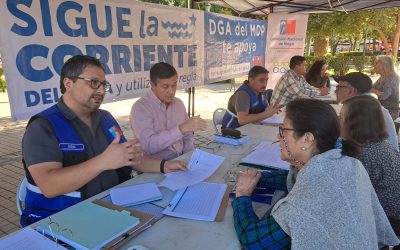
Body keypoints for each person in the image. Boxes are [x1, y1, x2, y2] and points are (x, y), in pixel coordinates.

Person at [21, 55, 187, 226]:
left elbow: (128, 156)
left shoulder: (105, 118)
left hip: (113, 209)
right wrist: (103, 161)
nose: (101, 90)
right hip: (61, 222)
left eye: (103, 85)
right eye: (93, 83)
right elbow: (49, 186)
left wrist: (163, 165)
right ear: (68, 84)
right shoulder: (43, 127)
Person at [232, 98, 399, 249]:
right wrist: (260, 178)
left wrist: (242, 195)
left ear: (306, 139)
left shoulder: (306, 201)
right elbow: (298, 180)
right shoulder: (345, 162)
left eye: (283, 130)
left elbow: (253, 241)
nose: (279, 136)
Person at [340, 95, 400, 235]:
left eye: (341, 117)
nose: (338, 122)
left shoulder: (363, 155)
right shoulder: (381, 145)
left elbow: (350, 197)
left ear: (356, 123)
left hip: (386, 219)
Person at [130, 62, 206, 160]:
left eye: (174, 85)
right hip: (155, 167)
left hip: (181, 161)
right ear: (153, 85)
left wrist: (189, 158)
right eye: (165, 87)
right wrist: (181, 129)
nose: (171, 91)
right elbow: (149, 146)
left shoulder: (179, 104)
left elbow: (188, 136)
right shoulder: (141, 108)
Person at [334, 72, 398, 151]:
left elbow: (345, 139)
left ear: (352, 90)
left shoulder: (362, 110)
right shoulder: (368, 105)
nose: (335, 91)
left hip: (376, 159)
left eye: (339, 87)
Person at [371, 55, 400, 121]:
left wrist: (370, 89)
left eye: (377, 63)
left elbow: (384, 96)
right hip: (381, 108)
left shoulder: (392, 78)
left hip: (390, 111)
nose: (374, 65)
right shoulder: (382, 77)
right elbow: (372, 89)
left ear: (384, 65)